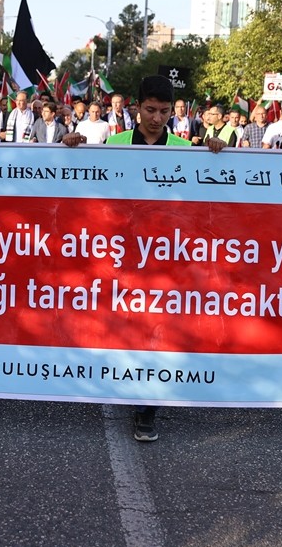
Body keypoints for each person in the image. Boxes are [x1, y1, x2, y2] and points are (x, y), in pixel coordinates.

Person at [83, 75, 226, 443]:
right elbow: (86, 185)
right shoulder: (113, 144)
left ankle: (147, 408)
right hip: (120, 252)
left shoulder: (183, 147)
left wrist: (214, 151)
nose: (156, 118)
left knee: (156, 327)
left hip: (164, 257)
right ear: (136, 108)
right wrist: (71, 147)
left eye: (164, 111)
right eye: (150, 110)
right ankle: (123, 382)